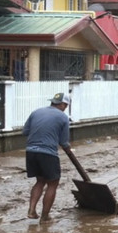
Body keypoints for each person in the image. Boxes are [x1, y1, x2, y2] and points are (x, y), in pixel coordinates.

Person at [23, 92, 71, 222]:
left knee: (40, 181)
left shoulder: (36, 112)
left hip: (31, 152)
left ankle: (31, 210)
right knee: (53, 184)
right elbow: (64, 142)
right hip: (48, 153)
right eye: (65, 106)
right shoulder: (63, 117)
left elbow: (25, 131)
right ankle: (45, 217)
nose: (65, 108)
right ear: (62, 104)